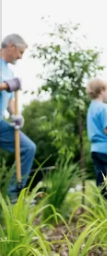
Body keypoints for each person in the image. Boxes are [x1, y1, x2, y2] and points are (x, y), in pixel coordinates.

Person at [0, 34, 36, 201]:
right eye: (20, 52)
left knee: (28, 148)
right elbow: (7, 88)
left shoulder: (9, 71)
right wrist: (7, 85)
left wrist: (15, 114)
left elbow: (9, 99)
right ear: (11, 46)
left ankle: (12, 196)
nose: (21, 57)